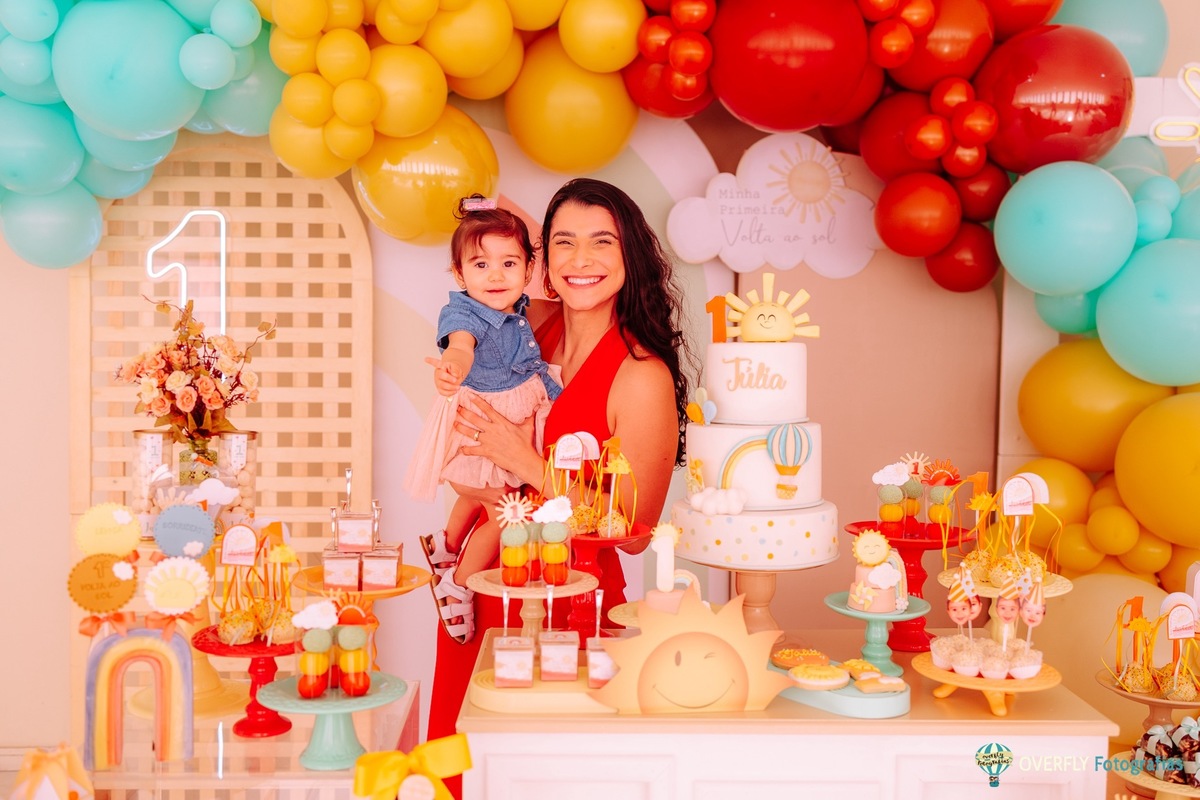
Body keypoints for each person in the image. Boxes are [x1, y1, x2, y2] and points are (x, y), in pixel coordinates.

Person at [426, 179, 694, 789]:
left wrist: (523, 462)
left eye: (603, 242)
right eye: (564, 243)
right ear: (542, 262)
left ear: (632, 257)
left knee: (541, 772)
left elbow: (632, 530)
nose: (581, 260)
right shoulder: (528, 331)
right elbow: (502, 235)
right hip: (481, 588)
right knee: (462, 758)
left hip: (569, 600)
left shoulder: (639, 374)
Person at [402, 196, 561, 645]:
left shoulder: (519, 306)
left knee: (483, 494)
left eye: (509, 263)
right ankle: (458, 585)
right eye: (480, 264)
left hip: (507, 415)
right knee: (508, 511)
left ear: (528, 271)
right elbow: (461, 344)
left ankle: (446, 545)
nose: (495, 275)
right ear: (459, 274)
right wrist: (453, 364)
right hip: (481, 420)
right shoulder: (463, 313)